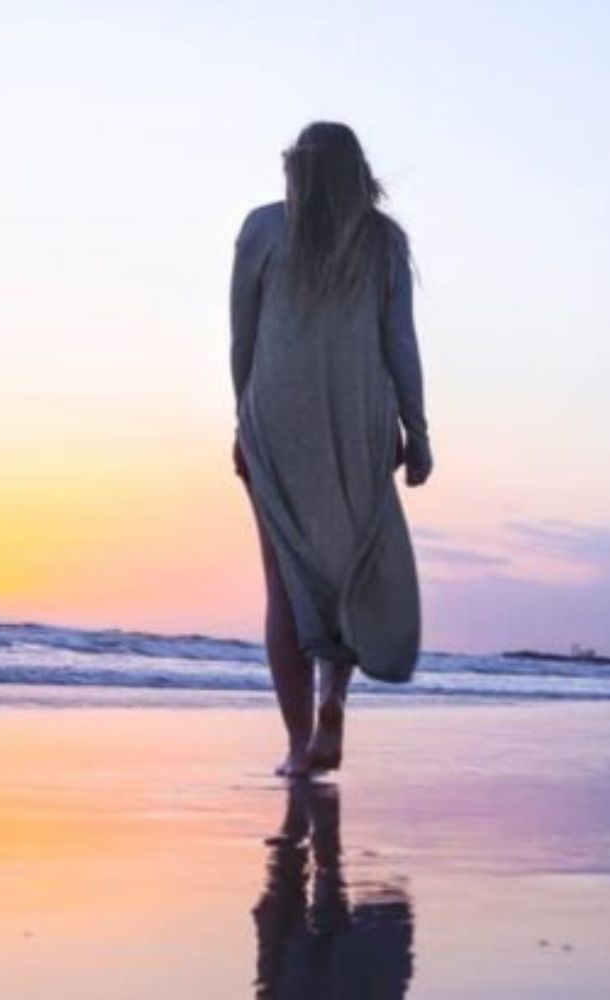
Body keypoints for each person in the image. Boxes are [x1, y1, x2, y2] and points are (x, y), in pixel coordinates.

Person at [230, 121, 433, 778]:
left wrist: (243, 420)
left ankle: (297, 747)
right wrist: (418, 432)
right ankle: (333, 703)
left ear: (295, 168)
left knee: (284, 583)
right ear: (358, 173)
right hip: (359, 420)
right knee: (347, 569)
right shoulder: (382, 242)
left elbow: (243, 338)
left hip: (278, 418)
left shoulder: (263, 229)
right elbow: (399, 342)